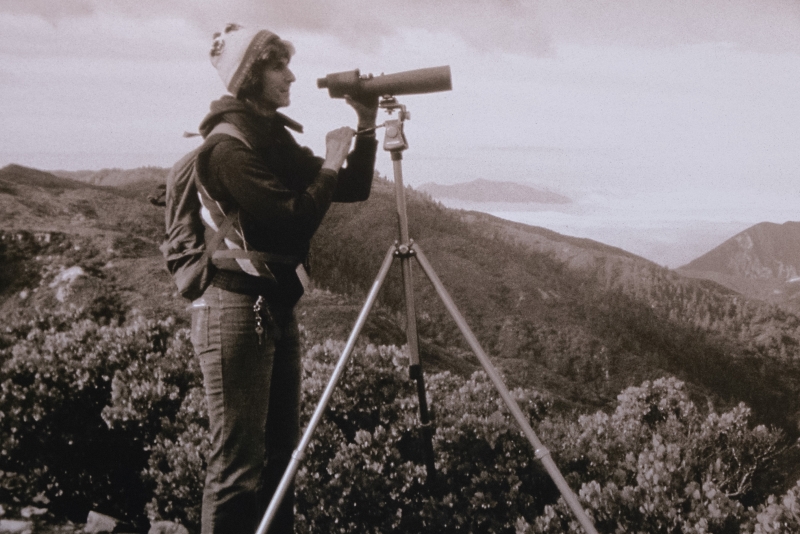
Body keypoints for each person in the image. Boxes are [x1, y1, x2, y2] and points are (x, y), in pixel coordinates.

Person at [189, 23, 378, 534]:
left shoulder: (270, 139)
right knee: (236, 467)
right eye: (278, 65)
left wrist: (365, 122)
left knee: (280, 458)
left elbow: (353, 188)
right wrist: (332, 161)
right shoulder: (228, 149)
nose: (291, 76)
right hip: (232, 312)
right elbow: (292, 218)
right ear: (251, 75)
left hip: (273, 309)